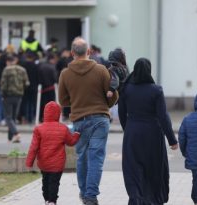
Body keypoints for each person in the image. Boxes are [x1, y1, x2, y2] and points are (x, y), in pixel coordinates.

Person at [58, 37, 118, 205]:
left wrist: (78, 101)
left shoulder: (65, 73)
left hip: (78, 121)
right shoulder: (101, 70)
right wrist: (106, 103)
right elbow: (112, 96)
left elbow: (63, 101)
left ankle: (84, 193)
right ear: (89, 52)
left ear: (71, 53)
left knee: (82, 157)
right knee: (96, 158)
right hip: (100, 119)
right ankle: (91, 196)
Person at [118, 58, 178, 205]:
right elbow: (163, 117)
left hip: (132, 133)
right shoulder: (156, 90)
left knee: (133, 168)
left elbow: (121, 114)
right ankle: (153, 199)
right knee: (154, 167)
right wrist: (172, 140)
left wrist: (129, 129)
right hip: (153, 133)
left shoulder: (126, 89)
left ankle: (136, 198)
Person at [26, 101, 80, 205]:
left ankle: (47, 199)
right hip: (57, 164)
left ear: (45, 113)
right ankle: (52, 201)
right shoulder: (63, 128)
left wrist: (29, 163)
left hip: (44, 163)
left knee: (45, 181)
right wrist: (77, 134)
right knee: (54, 182)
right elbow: (71, 142)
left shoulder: (39, 128)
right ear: (58, 114)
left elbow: (34, 147)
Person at [0, 54, 29, 143]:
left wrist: (3, 94)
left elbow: (3, 84)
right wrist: (21, 89)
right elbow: (27, 83)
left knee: (8, 117)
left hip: (8, 95)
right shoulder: (22, 69)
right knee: (13, 117)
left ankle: (16, 133)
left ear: (7, 62)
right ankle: (10, 138)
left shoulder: (6, 69)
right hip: (19, 95)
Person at [19, 50, 38, 124]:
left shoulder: (23, 65)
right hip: (34, 87)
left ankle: (25, 118)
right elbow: (37, 76)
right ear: (33, 58)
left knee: (25, 103)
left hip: (25, 87)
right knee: (32, 103)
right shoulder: (35, 66)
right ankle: (31, 118)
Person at [38, 53, 58, 122]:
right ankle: (50, 118)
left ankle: (41, 117)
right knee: (51, 104)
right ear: (51, 59)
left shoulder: (41, 66)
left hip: (42, 89)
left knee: (42, 104)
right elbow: (55, 78)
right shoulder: (52, 67)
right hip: (51, 88)